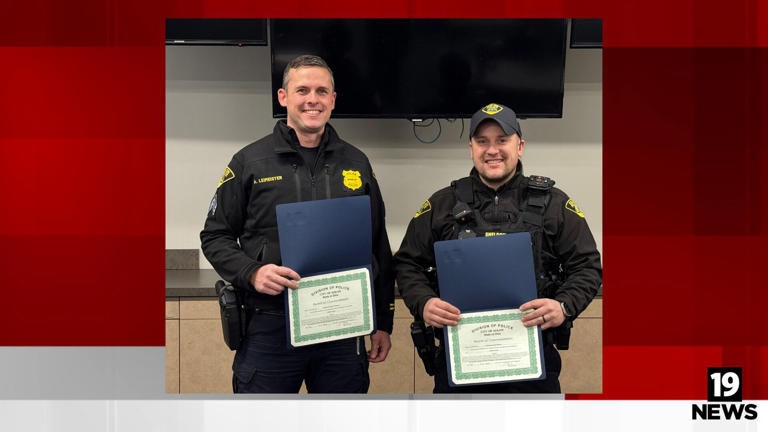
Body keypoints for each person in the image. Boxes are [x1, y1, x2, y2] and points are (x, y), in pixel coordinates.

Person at [200, 55, 395, 393]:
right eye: (302, 90)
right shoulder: (250, 162)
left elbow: (377, 244)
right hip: (270, 327)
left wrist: (382, 322)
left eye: (322, 91)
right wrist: (252, 272)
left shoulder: (357, 162)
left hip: (342, 330)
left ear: (333, 100)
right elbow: (215, 236)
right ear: (283, 97)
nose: (312, 99)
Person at [394, 103, 602, 393]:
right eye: (482, 141)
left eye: (502, 140)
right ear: (471, 148)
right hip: (460, 363)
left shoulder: (554, 203)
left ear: (520, 146)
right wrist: (424, 302)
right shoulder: (442, 204)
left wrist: (564, 306)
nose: (492, 150)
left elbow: (587, 265)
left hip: (533, 366)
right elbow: (407, 264)